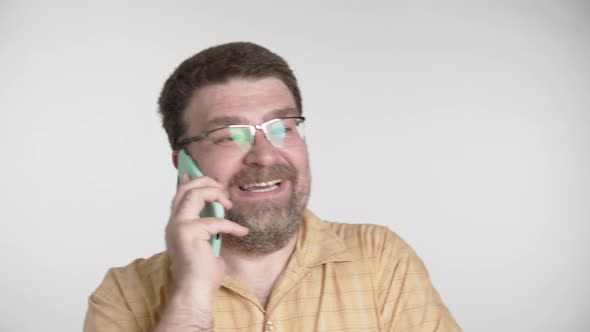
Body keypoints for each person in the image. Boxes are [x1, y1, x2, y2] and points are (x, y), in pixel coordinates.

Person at [84, 42, 461, 331]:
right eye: (229, 136)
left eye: (281, 128)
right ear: (183, 165)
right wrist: (191, 299)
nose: (265, 155)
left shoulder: (381, 259)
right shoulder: (124, 295)